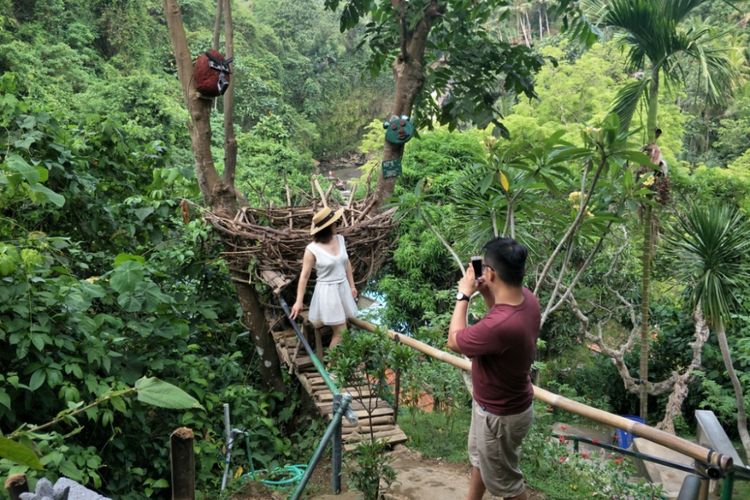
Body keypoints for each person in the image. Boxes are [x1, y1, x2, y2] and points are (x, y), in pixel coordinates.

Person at [446, 237, 540, 500]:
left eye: (484, 267)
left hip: (499, 416)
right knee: (481, 460)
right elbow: (498, 313)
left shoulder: (501, 326)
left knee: (506, 485)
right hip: (495, 406)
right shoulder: (528, 300)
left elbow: (454, 340)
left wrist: (464, 294)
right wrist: (487, 290)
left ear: (491, 273)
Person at [290, 206, 358, 349]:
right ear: (328, 227)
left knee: (343, 329)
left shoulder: (340, 239)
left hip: (343, 288)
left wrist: (352, 286)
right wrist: (298, 301)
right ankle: (329, 368)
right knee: (341, 332)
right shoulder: (312, 249)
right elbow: (304, 276)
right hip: (328, 292)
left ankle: (339, 364)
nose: (336, 224)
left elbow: (347, 263)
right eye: (334, 222)